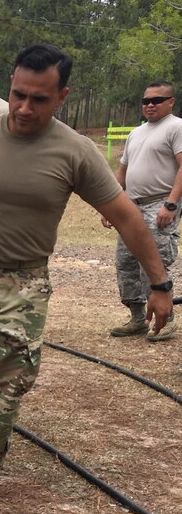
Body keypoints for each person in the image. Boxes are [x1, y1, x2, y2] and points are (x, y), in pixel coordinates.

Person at [0, 43, 173, 514]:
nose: (25, 108)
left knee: (3, 392)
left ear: (62, 97)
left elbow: (126, 218)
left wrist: (159, 283)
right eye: (18, 95)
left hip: (24, 284)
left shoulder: (75, 151)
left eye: (39, 99)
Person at [106, 80, 182, 341]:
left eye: (157, 100)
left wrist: (171, 204)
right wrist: (110, 204)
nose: (150, 105)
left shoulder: (176, 127)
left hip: (159, 203)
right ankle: (138, 318)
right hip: (132, 205)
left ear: (170, 102)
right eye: (146, 101)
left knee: (154, 263)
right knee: (126, 261)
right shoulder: (136, 133)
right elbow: (123, 172)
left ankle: (167, 319)